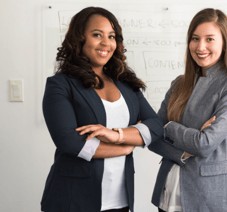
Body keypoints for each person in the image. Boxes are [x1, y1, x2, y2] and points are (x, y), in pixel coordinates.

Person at [40, 7, 163, 212]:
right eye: (97, 35)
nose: (106, 43)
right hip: (73, 200)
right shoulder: (61, 84)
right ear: (79, 38)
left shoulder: (126, 85)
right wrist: (124, 148)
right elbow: (69, 142)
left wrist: (117, 136)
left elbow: (156, 126)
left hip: (120, 201)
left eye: (111, 36)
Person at [148, 8, 227, 212]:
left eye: (209, 39)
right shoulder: (179, 83)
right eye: (195, 38)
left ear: (224, 42)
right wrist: (183, 152)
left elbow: (205, 143)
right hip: (169, 188)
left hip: (210, 195)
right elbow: (152, 137)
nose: (200, 46)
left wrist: (168, 126)